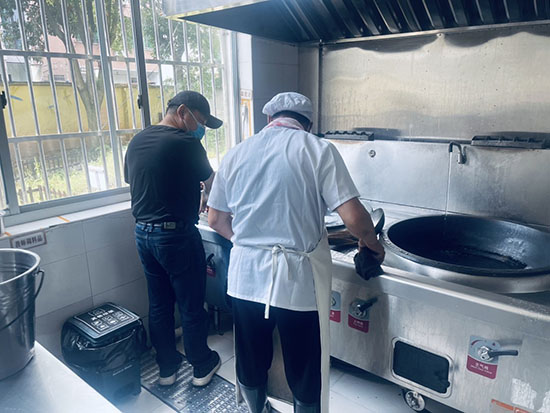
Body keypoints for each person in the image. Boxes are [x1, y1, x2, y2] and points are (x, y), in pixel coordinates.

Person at [207, 92, 384, 413]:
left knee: (250, 358)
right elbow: (355, 218)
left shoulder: (236, 153)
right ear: (308, 124)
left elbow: (216, 219)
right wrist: (372, 244)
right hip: (297, 284)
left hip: (246, 279)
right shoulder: (318, 150)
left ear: (269, 119)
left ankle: (256, 409)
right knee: (304, 366)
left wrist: (248, 244)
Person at [124, 91, 222, 387]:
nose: (200, 129)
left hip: (143, 234)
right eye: (200, 122)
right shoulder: (186, 143)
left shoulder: (137, 140)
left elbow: (142, 179)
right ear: (182, 112)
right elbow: (213, 183)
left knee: (159, 304)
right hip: (176, 236)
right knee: (191, 305)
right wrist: (205, 195)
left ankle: (166, 369)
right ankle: (201, 365)